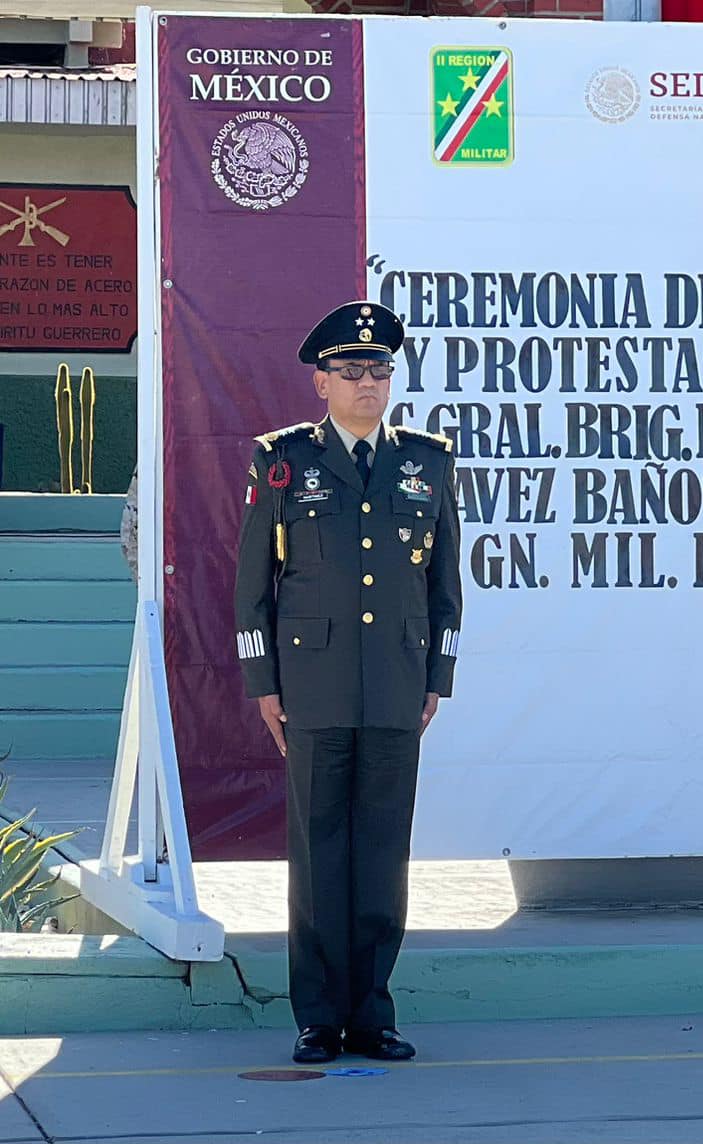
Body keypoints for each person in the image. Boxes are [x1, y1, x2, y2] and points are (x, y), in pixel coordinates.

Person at [233, 300, 463, 1065]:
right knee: (318, 850)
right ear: (321, 383)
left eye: (380, 370)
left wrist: (439, 674)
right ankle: (319, 1018)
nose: (369, 383)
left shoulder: (428, 461)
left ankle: (373, 1015)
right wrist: (264, 680)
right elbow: (252, 587)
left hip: (398, 685)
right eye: (352, 371)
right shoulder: (284, 460)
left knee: (381, 852)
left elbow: (446, 586)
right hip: (313, 685)